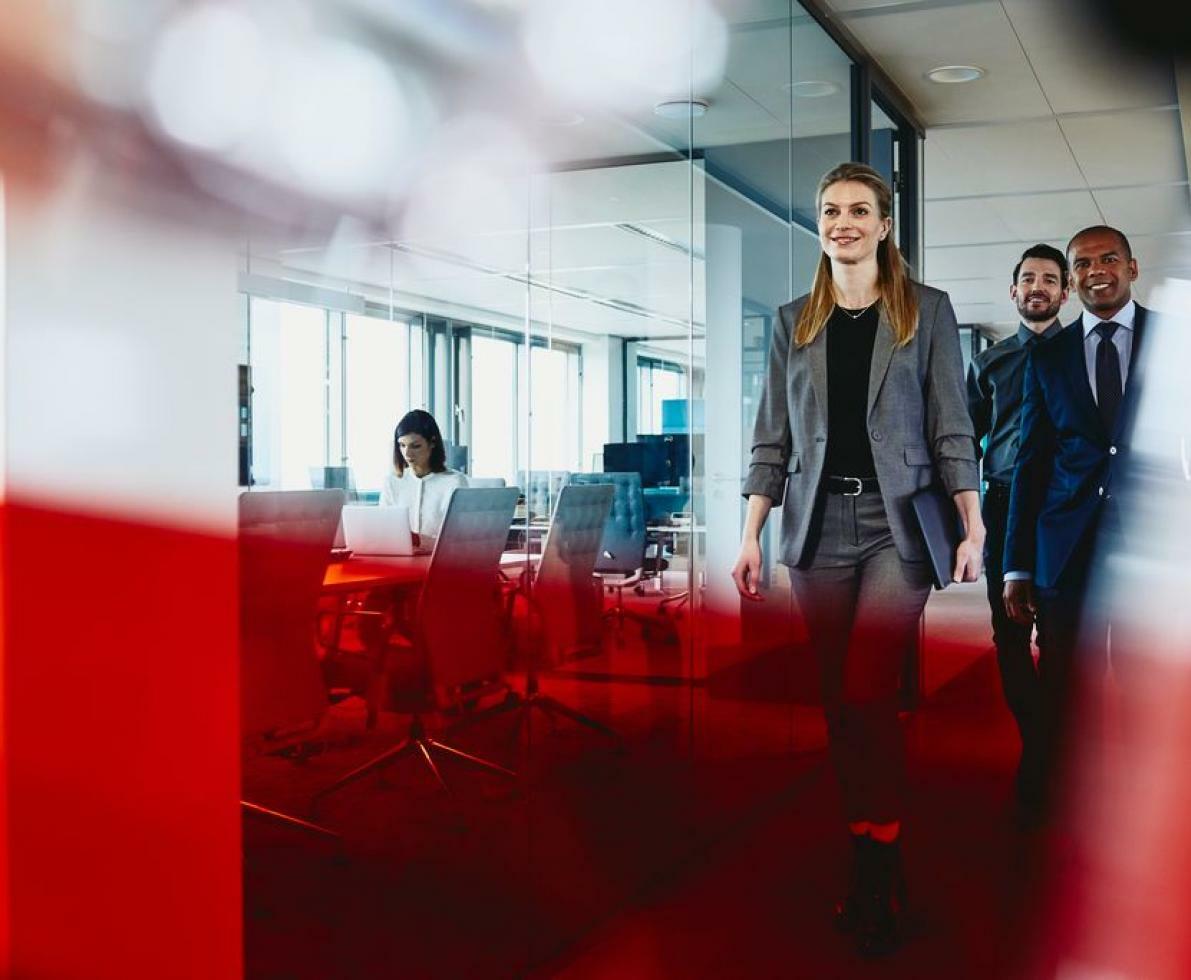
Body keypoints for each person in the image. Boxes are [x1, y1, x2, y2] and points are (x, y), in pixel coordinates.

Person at [731, 162, 983, 956]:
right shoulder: (791, 322)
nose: (841, 222)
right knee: (841, 704)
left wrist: (971, 527)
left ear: (883, 226)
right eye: (829, 210)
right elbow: (770, 435)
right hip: (812, 531)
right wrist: (749, 533)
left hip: (893, 528)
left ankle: (879, 861)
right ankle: (865, 836)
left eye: (857, 211)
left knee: (867, 691)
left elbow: (951, 427)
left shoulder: (924, 313)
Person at [1002, 225, 1150, 818]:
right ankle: (1055, 796)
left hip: (1151, 550)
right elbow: (1029, 464)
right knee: (1064, 682)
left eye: (1108, 258)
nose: (1096, 271)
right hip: (1066, 549)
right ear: (1072, 279)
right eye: (1082, 263)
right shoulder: (1049, 357)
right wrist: (1017, 565)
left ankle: (1144, 806)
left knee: (1147, 679)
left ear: (1132, 267)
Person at [967, 244, 1069, 823]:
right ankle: (1040, 742)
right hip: (1004, 505)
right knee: (1009, 635)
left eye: (1050, 279)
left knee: (1059, 635)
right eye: (1028, 278)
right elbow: (965, 438)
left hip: (1060, 509)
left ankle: (1048, 751)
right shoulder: (990, 363)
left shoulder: (1079, 355)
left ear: (1065, 292)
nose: (1038, 286)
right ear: (1013, 291)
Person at [381, 409, 468, 550]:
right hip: (400, 559)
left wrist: (417, 540)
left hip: (441, 563)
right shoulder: (392, 481)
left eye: (415, 446)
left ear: (432, 443)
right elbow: (383, 530)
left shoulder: (455, 482)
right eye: (402, 445)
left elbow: (459, 541)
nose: (407, 453)